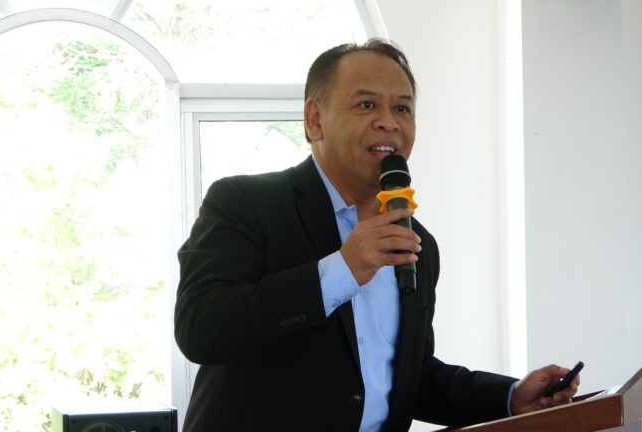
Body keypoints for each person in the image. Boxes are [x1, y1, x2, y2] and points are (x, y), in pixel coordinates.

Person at [174, 39, 579, 432]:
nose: (389, 121)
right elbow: (200, 329)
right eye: (367, 104)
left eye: (402, 107)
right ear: (315, 119)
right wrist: (342, 270)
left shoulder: (417, 244)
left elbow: (410, 377)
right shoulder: (246, 203)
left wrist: (509, 397)